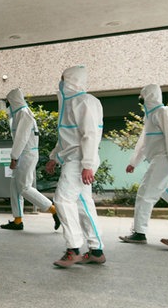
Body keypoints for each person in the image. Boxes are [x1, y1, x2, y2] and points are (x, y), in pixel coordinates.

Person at [45, 65, 106, 267]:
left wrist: (87, 164)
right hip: (75, 160)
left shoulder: (85, 101)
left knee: (62, 200)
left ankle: (73, 249)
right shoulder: (69, 103)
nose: (60, 82)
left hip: (81, 160)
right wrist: (55, 157)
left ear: (71, 79)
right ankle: (96, 250)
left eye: (63, 78)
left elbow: (91, 135)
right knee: (83, 205)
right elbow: (67, 137)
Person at [119, 84, 168, 250]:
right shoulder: (150, 117)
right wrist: (133, 162)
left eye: (142, 96)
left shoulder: (164, 112)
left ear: (148, 96)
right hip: (159, 160)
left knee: (145, 193)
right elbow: (144, 143)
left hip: (164, 160)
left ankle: (139, 233)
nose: (140, 100)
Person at [0, 88, 61, 231]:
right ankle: (17, 220)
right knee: (14, 187)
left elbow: (21, 138)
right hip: (24, 154)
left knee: (24, 187)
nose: (9, 104)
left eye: (9, 101)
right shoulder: (20, 114)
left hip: (25, 155)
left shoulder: (24, 114)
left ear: (14, 101)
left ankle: (53, 210)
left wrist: (14, 158)